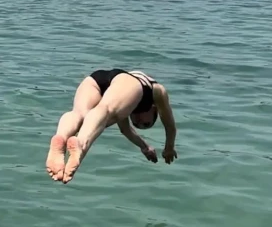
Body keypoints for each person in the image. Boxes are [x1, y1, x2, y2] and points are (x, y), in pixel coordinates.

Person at [45, 68, 178, 184]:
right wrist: (169, 148)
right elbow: (170, 125)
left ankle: (61, 137)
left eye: (137, 124)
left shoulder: (126, 104)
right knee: (105, 110)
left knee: (80, 114)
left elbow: (126, 130)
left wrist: (145, 146)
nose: (138, 121)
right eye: (146, 123)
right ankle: (80, 144)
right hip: (124, 79)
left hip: (98, 79)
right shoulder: (157, 92)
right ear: (154, 110)